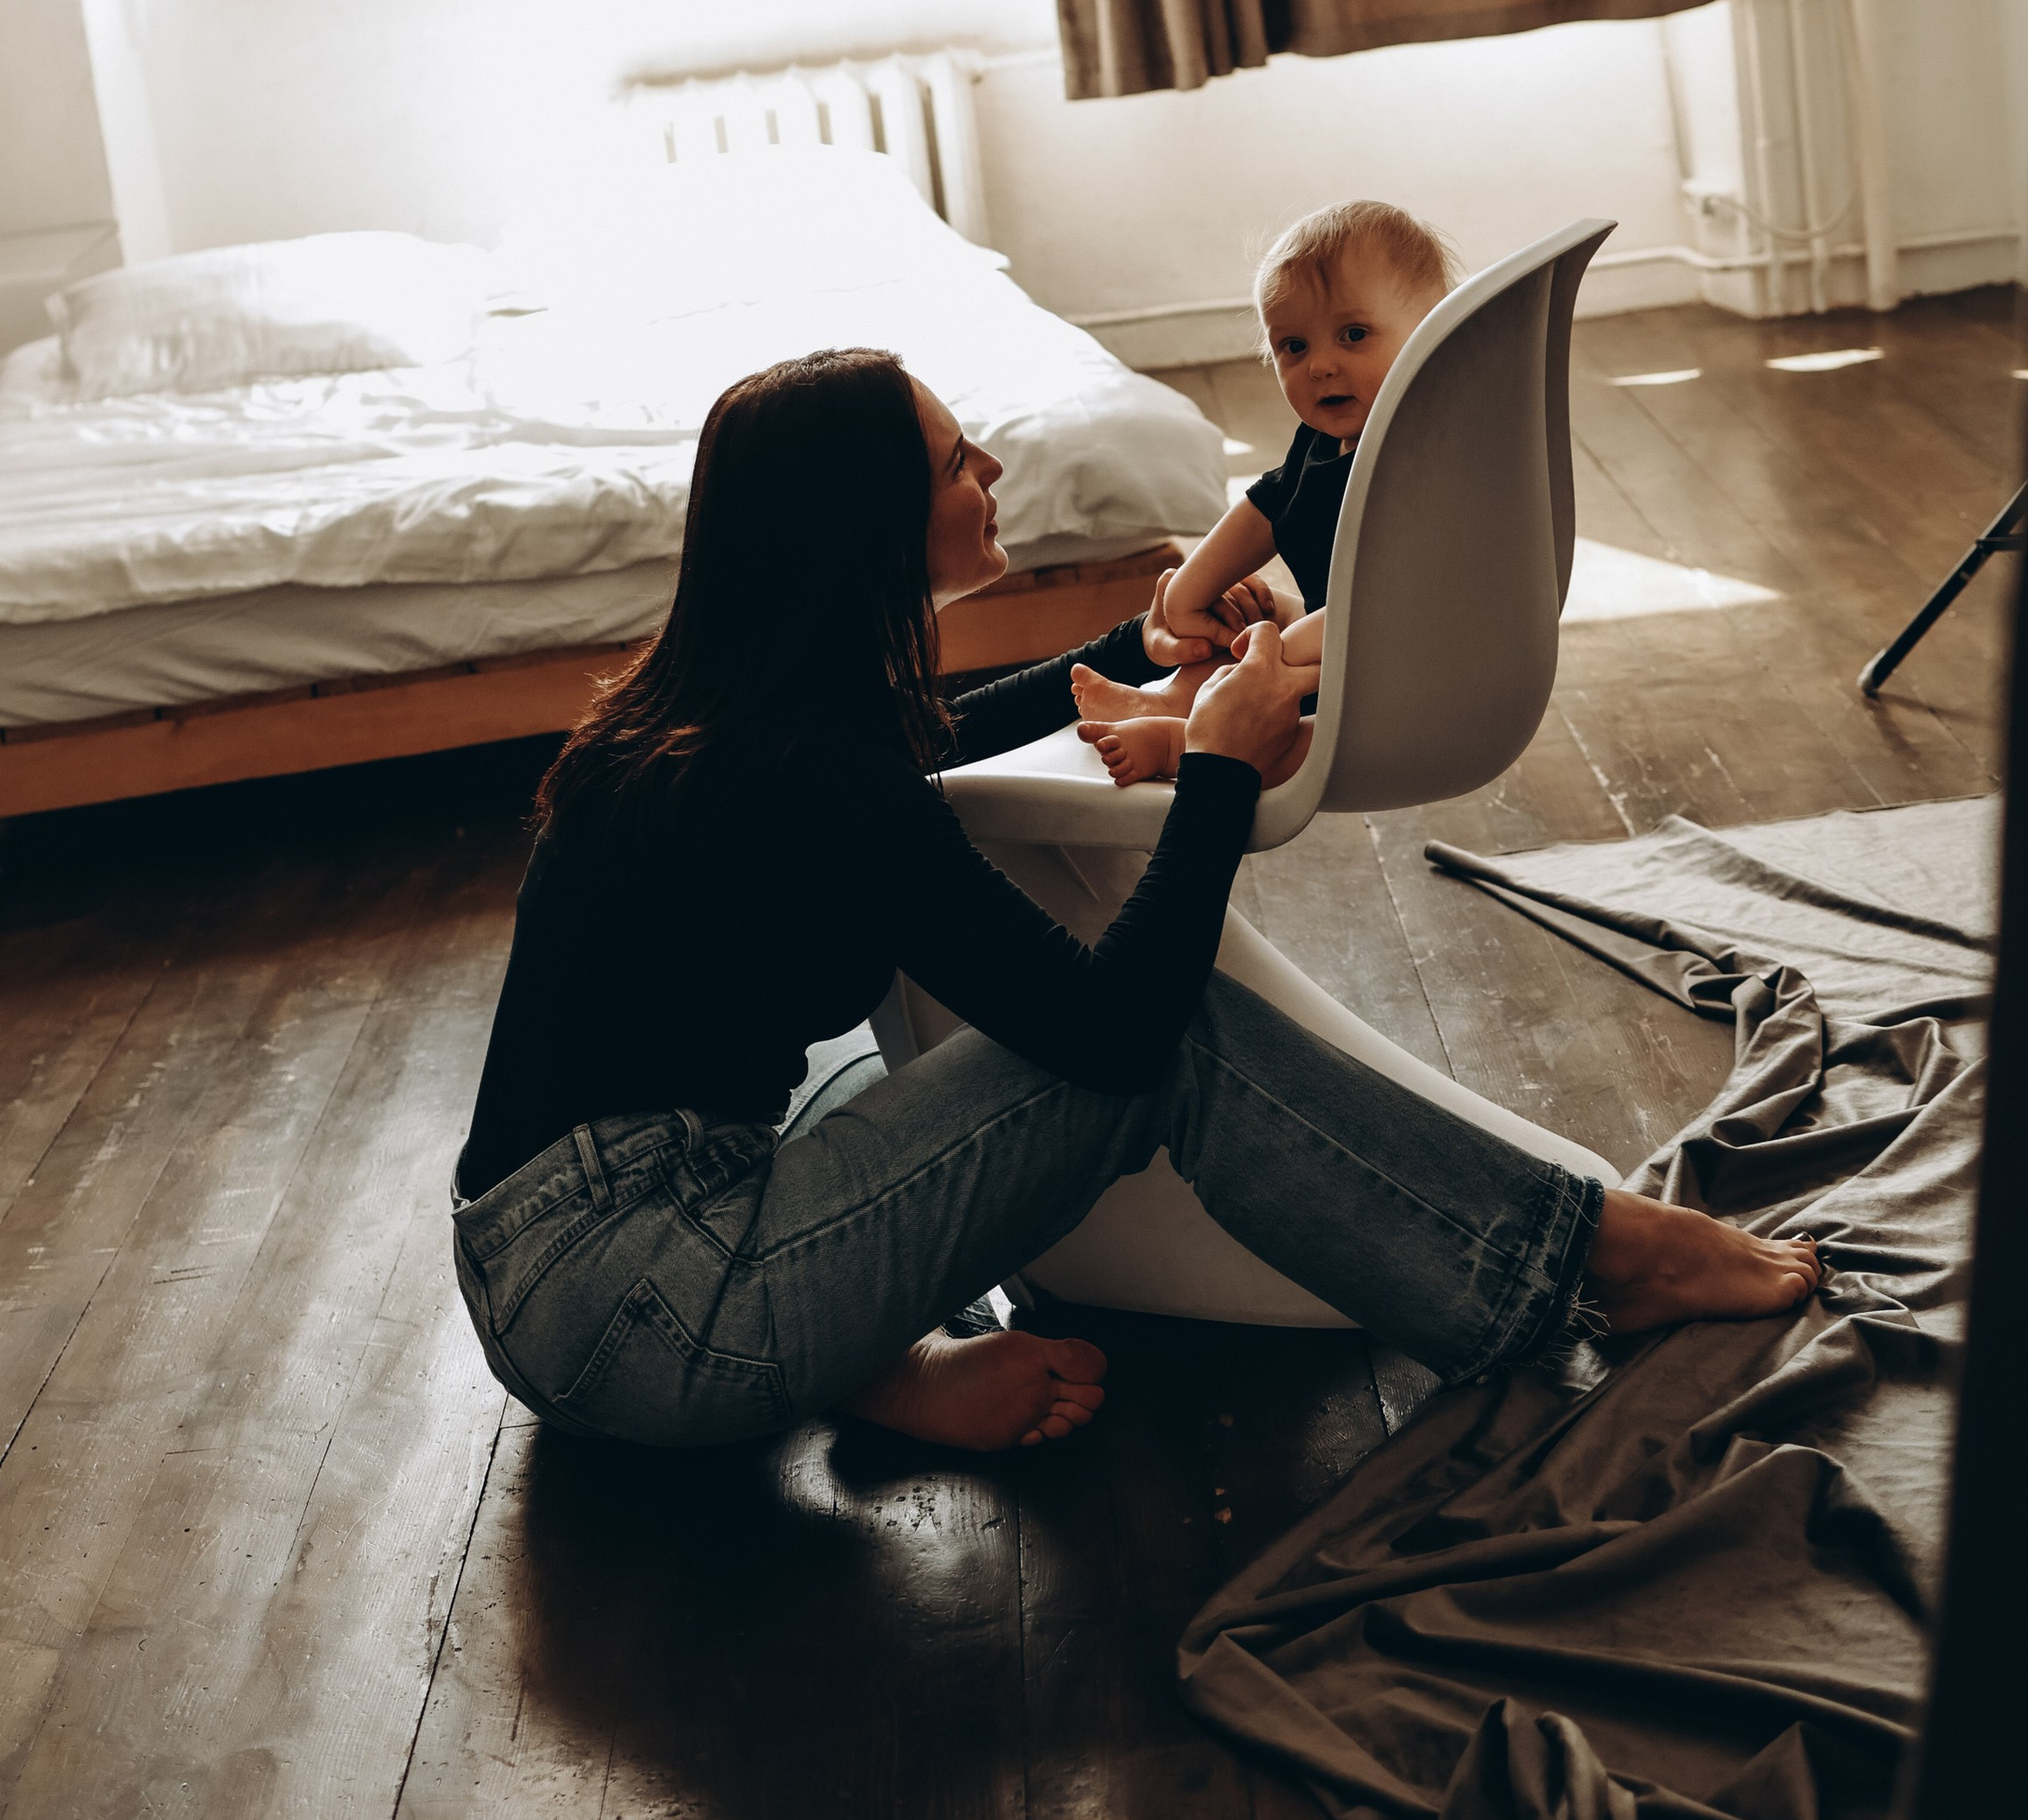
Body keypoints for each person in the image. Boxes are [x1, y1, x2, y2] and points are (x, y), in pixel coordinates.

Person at [450, 348, 1817, 1456]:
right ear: (866, 526)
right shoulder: (813, 772)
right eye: (955, 462)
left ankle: (872, 1367)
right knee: (1172, 1033)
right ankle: (1585, 1261)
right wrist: (1215, 772)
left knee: (892, 1064)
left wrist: (1140, 645)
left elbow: (919, 744)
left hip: (577, 1259)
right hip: (648, 1309)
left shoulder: (732, 721)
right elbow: (1111, 1038)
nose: (992, 470)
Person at [1072, 198, 1455, 787]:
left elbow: (1386, 605)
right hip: (1330, 640)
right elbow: (1271, 506)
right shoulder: (1328, 440)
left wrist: (1273, 658)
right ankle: (1169, 701)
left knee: (1289, 716)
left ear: (1431, 332)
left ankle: (1181, 744)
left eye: (1353, 335)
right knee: (1247, 621)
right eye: (1294, 346)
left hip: (1406, 674)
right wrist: (1189, 591)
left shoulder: (1419, 460)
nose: (1320, 365)